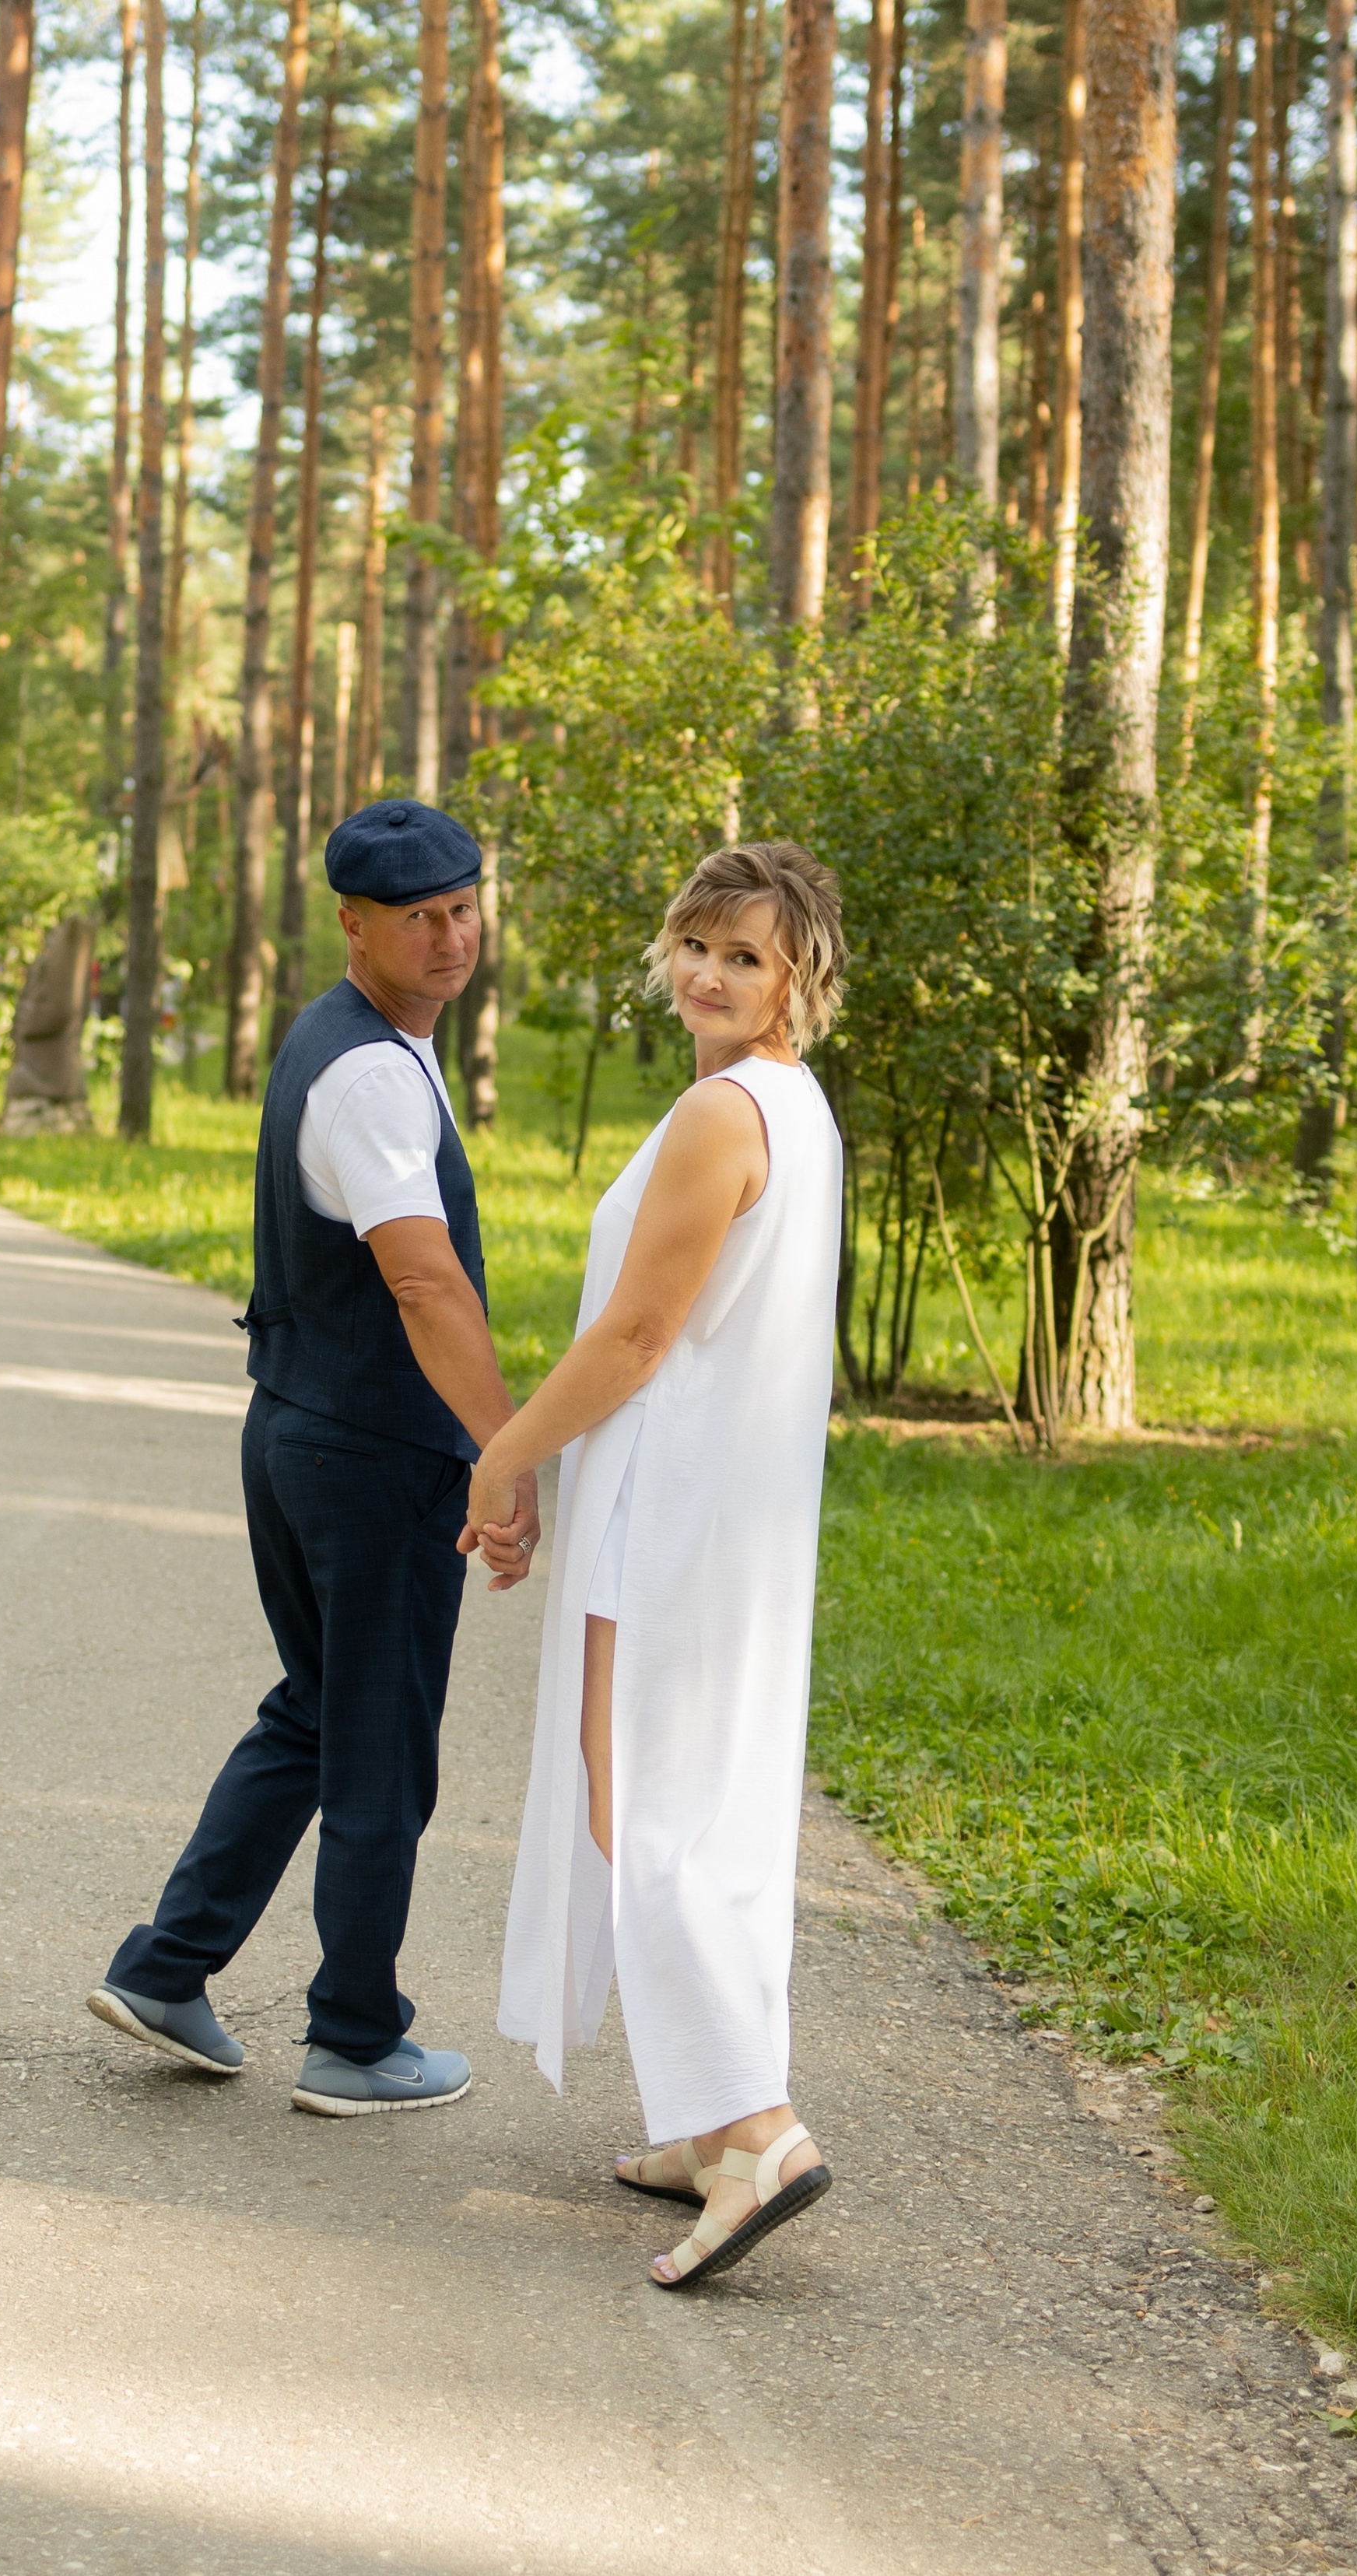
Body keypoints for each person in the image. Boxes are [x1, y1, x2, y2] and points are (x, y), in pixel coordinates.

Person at [89, 799, 540, 2113]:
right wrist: (503, 1451)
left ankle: (167, 1968)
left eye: (466, 907)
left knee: (317, 1708)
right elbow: (423, 1282)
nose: (453, 936)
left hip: (295, 1422)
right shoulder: (368, 1074)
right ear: (355, 922)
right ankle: (353, 2034)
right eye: (421, 918)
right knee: (381, 1744)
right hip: (371, 1452)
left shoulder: (350, 1037)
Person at [467, 841, 844, 2288]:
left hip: (674, 1513)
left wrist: (508, 1454)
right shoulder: (791, 1109)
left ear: (797, 977)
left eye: (743, 956)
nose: (706, 972)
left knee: (651, 1808)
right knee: (692, 1800)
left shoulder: (723, 1114)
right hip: (722, 1513)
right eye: (695, 943)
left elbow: (636, 1338)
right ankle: (702, 2114)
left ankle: (756, 2130)